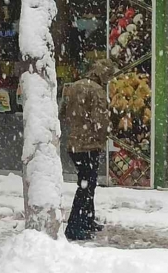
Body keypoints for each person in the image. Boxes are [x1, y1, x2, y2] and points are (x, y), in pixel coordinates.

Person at [59, 59, 117, 241]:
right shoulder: (97, 91)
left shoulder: (72, 87)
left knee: (86, 183)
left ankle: (86, 220)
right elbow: (100, 120)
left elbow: (62, 113)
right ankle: (75, 225)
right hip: (90, 144)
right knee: (86, 185)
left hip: (74, 144)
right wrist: (106, 133)